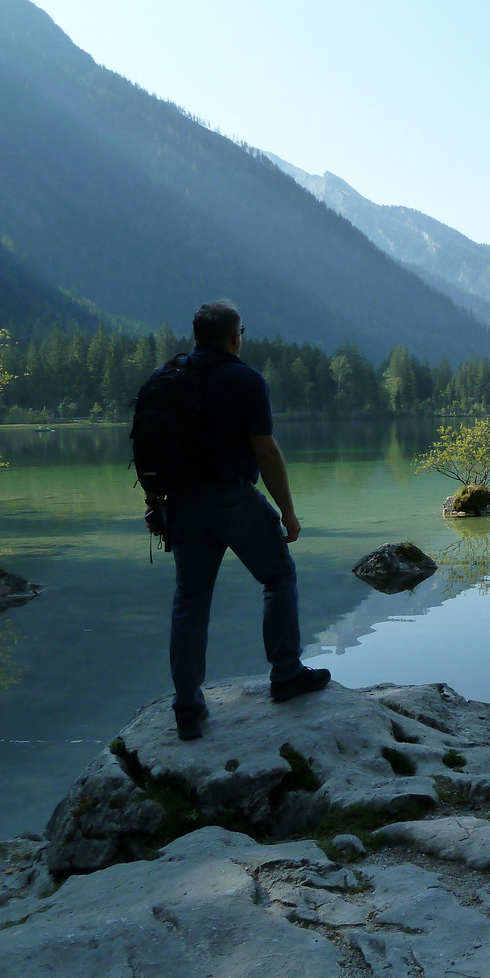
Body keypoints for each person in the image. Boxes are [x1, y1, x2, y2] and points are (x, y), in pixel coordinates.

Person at [163, 300, 329, 740]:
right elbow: (265, 450)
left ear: (197, 336)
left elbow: (151, 450)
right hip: (233, 499)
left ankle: (186, 707)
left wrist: (154, 503)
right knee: (278, 576)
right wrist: (288, 512)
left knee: (190, 601)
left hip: (181, 505)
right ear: (234, 336)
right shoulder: (245, 379)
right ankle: (286, 674)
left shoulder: (168, 380)